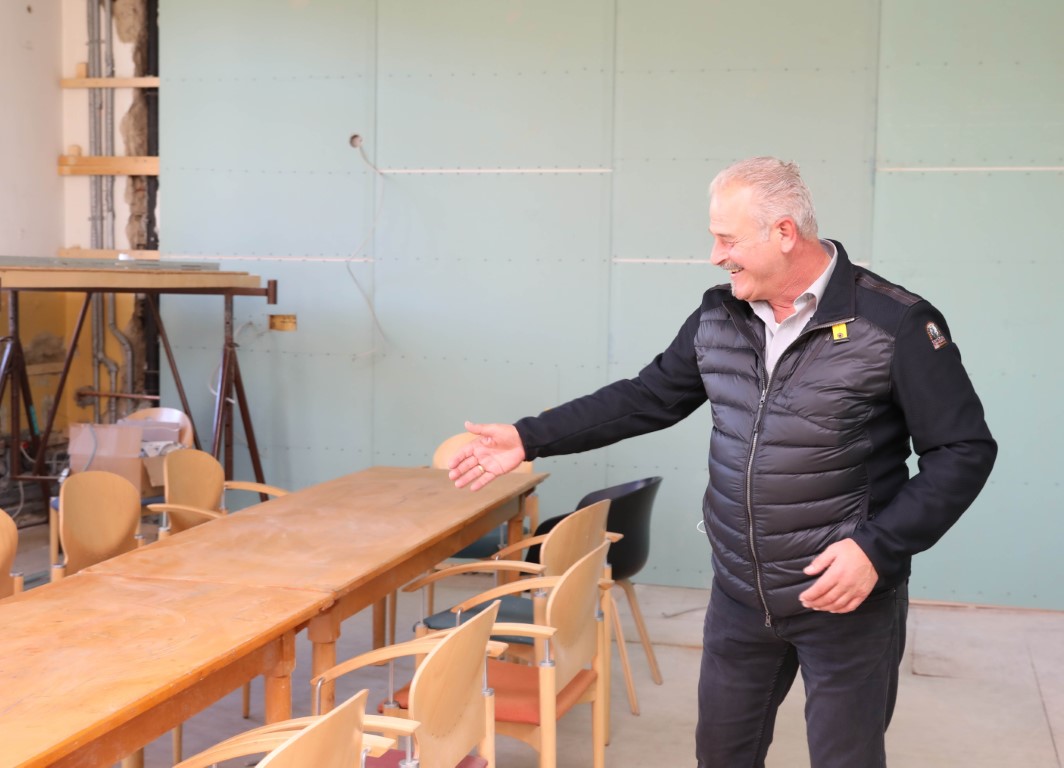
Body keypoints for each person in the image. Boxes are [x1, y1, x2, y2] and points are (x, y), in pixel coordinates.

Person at [446, 156, 996, 767]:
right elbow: (647, 397)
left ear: (784, 233)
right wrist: (528, 438)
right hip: (741, 595)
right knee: (721, 756)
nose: (715, 256)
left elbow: (963, 450)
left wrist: (877, 549)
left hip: (844, 598)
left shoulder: (894, 324)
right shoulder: (720, 315)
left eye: (728, 240)